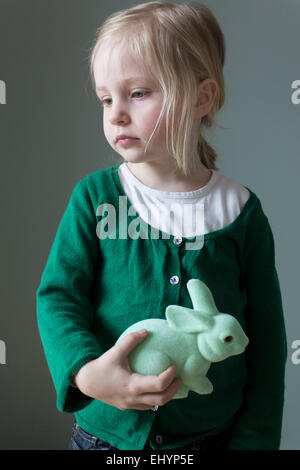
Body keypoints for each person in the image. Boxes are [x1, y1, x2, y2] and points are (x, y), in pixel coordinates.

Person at [36, 1, 287, 451]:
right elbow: (59, 297)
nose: (115, 114)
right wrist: (87, 373)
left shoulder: (241, 211)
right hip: (103, 438)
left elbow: (267, 346)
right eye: (106, 98)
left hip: (212, 438)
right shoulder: (94, 198)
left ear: (200, 97)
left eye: (137, 93)